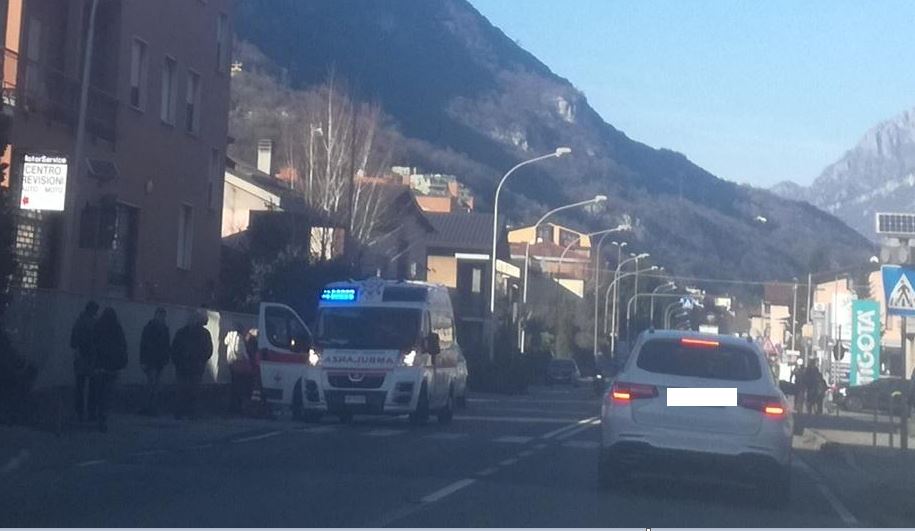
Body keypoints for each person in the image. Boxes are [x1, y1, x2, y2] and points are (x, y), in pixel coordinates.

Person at [171, 310, 213, 420]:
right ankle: (180, 412)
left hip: (195, 367)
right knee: (182, 390)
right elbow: (175, 349)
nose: (193, 321)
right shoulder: (182, 333)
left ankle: (191, 413)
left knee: (194, 391)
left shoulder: (204, 334)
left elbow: (208, 350)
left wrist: (201, 360)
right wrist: (178, 362)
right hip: (183, 367)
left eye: (195, 319)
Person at [91, 307, 128, 432]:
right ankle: (103, 416)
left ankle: (97, 414)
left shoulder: (98, 327)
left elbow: (93, 346)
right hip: (112, 368)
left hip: (99, 366)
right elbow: (123, 347)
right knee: (107, 394)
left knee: (98, 393)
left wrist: (95, 364)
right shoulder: (117, 329)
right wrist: (121, 363)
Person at [70, 301, 99, 422]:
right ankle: (91, 412)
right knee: (93, 387)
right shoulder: (95, 323)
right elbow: (98, 340)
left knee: (80, 386)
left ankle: (79, 412)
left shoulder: (79, 321)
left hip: (80, 356)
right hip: (91, 358)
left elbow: (73, 341)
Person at [139, 307, 171, 416]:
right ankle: (148, 407)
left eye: (163, 316)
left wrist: (166, 358)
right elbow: (144, 345)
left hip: (158, 361)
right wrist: (143, 361)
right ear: (156, 315)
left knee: (155, 385)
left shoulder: (161, 329)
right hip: (151, 361)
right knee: (152, 385)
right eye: (160, 315)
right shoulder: (151, 328)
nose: (162, 318)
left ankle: (151, 407)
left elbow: (166, 346)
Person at [226, 323, 253, 414]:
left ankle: (233, 407)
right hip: (239, 362)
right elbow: (239, 350)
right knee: (239, 386)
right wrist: (247, 359)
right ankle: (237, 407)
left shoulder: (229, 336)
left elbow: (225, 342)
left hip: (230, 361)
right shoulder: (239, 338)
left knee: (234, 384)